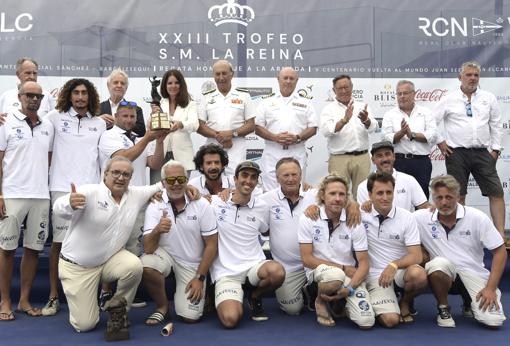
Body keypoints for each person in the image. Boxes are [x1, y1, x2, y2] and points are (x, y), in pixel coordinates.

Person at [53, 157, 165, 340]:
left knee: (134, 265)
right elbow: (59, 208)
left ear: (131, 178)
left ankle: (118, 312)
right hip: (79, 267)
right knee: (85, 325)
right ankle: (90, 306)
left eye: (126, 174)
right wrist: (69, 203)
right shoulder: (89, 191)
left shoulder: (135, 194)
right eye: (116, 173)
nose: (121, 178)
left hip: (109, 260)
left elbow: (164, 184)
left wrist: (191, 188)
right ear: (105, 174)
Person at [43, 78, 107, 316]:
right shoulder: (54, 118)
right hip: (61, 189)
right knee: (58, 244)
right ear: (69, 96)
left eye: (84, 93)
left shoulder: (100, 124)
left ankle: (98, 294)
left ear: (90, 97)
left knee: (93, 241)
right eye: (76, 93)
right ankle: (52, 296)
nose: (80, 97)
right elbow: (45, 150)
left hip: (91, 191)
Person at [414, 175, 507, 328]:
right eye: (439, 198)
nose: (444, 202)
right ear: (433, 198)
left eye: (449, 197)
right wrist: (367, 205)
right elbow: (396, 217)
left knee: (494, 321)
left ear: (458, 196)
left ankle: (469, 302)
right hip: (445, 273)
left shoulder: (477, 217)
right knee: (438, 264)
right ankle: (443, 308)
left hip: (473, 273)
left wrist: (490, 288)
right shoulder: (421, 217)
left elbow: (500, 252)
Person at [434, 61, 507, 245]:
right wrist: (440, 142)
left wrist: (496, 149)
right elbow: (431, 122)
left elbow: (497, 124)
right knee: (458, 195)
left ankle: (499, 235)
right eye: (469, 75)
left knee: (496, 192)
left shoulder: (488, 98)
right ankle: (459, 235)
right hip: (456, 153)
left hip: (483, 152)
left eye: (476, 75)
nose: (473, 78)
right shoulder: (448, 99)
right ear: (460, 77)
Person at [0, 81, 54, 321]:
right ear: (20, 96)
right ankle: (5, 300)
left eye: (38, 96)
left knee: (33, 250)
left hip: (41, 196)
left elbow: (49, 159)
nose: (34, 99)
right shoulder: (5, 122)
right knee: (7, 250)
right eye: (29, 95)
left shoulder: (48, 126)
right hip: (12, 195)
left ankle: (23, 300)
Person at [141, 160, 218, 324]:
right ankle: (162, 308)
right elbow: (148, 248)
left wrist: (199, 278)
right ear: (163, 183)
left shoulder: (201, 204)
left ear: (187, 180)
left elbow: (212, 244)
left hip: (192, 264)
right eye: (170, 180)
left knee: (190, 318)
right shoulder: (155, 204)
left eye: (181, 179)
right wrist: (157, 230)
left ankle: (205, 292)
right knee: (147, 264)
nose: (176, 184)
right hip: (166, 255)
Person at [210, 161, 285, 328]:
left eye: (253, 177)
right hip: (226, 272)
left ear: (257, 182)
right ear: (235, 179)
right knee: (230, 320)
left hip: (253, 266)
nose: (248, 181)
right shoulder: (216, 202)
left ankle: (255, 295)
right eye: (244, 175)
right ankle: (230, 297)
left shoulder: (262, 206)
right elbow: (191, 195)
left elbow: (266, 230)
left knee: (277, 272)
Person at [298, 174, 374, 328]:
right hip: (320, 272)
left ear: (347, 198)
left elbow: (364, 263)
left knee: (366, 322)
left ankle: (340, 301)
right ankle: (320, 300)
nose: (338, 198)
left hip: (347, 277)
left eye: (342, 194)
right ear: (322, 196)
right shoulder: (308, 218)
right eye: (332, 193)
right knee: (335, 275)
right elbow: (307, 259)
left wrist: (350, 288)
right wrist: (344, 268)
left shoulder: (354, 220)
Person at [362, 172, 427, 327]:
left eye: (389, 192)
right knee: (391, 321)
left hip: (398, 271)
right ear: (370, 195)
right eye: (379, 193)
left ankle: (405, 302)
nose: (385, 197)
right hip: (375, 275)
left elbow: (416, 256)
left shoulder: (407, 217)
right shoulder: (359, 214)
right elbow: (336, 205)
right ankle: (378, 301)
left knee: (419, 275)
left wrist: (394, 265)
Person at [255, 67, 317, 191]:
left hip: (296, 151)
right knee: (271, 191)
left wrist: (297, 137)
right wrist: (275, 137)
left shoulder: (306, 103)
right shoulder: (266, 102)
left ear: (296, 80)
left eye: (291, 78)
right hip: (273, 152)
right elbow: (257, 127)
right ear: (278, 79)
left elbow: (313, 128)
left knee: (296, 189)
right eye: (285, 78)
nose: (288, 81)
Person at [319, 74, 378, 199]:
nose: (344, 91)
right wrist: (344, 120)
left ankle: (362, 219)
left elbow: (373, 127)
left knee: (363, 196)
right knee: (338, 196)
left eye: (346, 87)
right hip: (339, 159)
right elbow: (326, 131)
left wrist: (366, 120)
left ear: (352, 87)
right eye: (340, 88)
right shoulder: (328, 109)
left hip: (362, 157)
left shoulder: (362, 106)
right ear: (334, 90)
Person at [198, 60, 256, 175]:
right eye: (217, 74)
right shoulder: (206, 97)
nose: (221, 77)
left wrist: (232, 134)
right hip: (212, 146)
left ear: (232, 74)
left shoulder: (244, 96)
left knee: (235, 178)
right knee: (212, 179)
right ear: (213, 76)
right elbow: (200, 126)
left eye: (224, 73)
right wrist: (219, 136)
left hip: (236, 147)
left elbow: (251, 125)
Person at [382, 80, 437, 199]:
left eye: (405, 93)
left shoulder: (426, 112)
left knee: (422, 196)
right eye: (399, 93)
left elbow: (432, 135)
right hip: (399, 162)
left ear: (414, 94)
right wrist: (401, 133)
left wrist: (412, 135)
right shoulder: (389, 114)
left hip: (421, 162)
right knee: (398, 196)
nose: (402, 96)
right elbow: (386, 139)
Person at [149, 69, 199, 182]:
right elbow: (150, 126)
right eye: (170, 83)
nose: (173, 86)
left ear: (181, 85)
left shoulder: (191, 104)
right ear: (164, 86)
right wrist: (153, 114)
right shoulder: (159, 102)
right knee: (157, 192)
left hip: (183, 155)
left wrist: (181, 125)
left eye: (177, 82)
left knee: (180, 191)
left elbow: (195, 125)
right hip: (160, 154)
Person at [357, 141, 429, 211]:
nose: (384, 159)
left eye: (387, 154)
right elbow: (364, 216)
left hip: (405, 223)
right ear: (373, 160)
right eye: (379, 156)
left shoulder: (409, 180)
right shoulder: (363, 187)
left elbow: (424, 207)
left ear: (394, 156)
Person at [99, 69, 145, 135]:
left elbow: (141, 132)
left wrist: (117, 122)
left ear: (126, 88)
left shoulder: (136, 109)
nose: (119, 86)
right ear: (108, 85)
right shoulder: (97, 108)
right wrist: (99, 121)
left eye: (122, 83)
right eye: (115, 82)